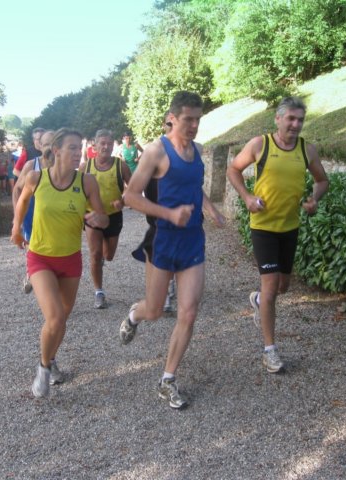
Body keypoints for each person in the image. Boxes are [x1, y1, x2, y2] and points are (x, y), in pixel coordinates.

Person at [119, 91, 225, 410]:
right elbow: (131, 197)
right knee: (154, 311)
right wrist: (169, 213)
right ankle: (134, 316)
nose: (194, 125)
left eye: (198, 119)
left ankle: (168, 379)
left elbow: (193, 187)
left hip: (192, 240)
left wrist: (210, 208)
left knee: (188, 311)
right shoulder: (156, 151)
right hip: (163, 239)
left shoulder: (198, 150)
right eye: (188, 119)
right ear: (172, 118)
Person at [226, 96, 329, 374]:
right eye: (291, 119)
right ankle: (269, 350)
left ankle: (259, 301)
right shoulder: (260, 145)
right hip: (263, 227)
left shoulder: (307, 149)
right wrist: (247, 197)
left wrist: (314, 199)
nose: (295, 124)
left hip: (290, 227)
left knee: (283, 287)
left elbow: (322, 180)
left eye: (300, 120)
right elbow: (233, 169)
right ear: (278, 119)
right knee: (271, 287)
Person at [11, 128, 109, 398]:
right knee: (54, 317)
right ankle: (43, 368)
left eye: (80, 148)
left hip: (70, 260)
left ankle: (51, 358)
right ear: (56, 151)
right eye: (72, 148)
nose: (78, 153)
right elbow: (22, 200)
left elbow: (103, 217)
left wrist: (99, 220)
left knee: (61, 320)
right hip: (40, 257)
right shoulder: (36, 177)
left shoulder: (87, 182)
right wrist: (17, 228)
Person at [80, 129, 132, 309]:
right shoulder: (85, 167)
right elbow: (77, 191)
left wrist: (123, 201)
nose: (106, 147)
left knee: (108, 256)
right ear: (94, 146)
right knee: (95, 254)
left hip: (113, 216)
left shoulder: (120, 166)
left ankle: (102, 256)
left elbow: (133, 188)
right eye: (102, 143)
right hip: (92, 216)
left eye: (109, 143)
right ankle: (99, 292)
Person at [131, 112, 176, 313]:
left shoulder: (191, 151)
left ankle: (168, 283)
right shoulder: (154, 151)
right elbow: (137, 190)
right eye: (169, 124)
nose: (173, 128)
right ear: (164, 124)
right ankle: (161, 292)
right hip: (160, 217)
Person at [13, 130, 55, 294]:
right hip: (32, 215)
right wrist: (17, 217)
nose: (49, 148)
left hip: (54, 218)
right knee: (33, 248)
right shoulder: (31, 165)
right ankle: (32, 274)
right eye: (46, 144)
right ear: (39, 146)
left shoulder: (63, 167)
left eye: (53, 143)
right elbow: (17, 189)